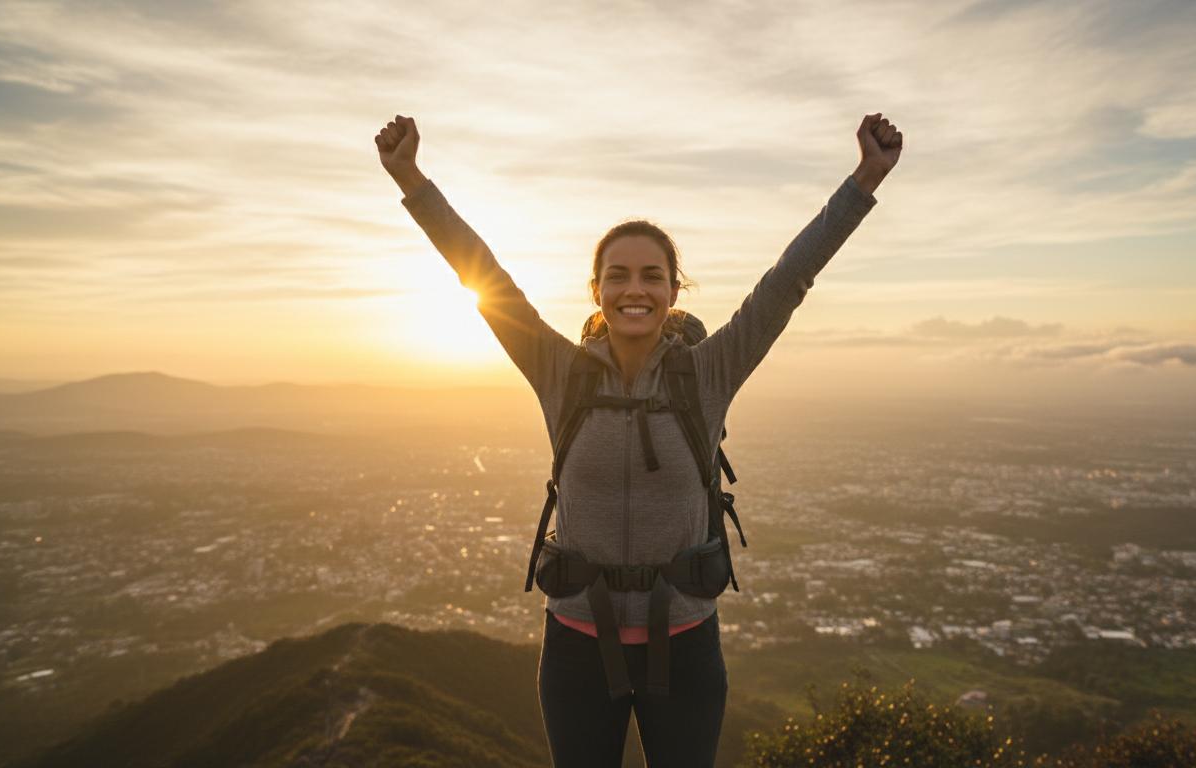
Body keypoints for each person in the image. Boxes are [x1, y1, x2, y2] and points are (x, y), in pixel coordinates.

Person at [375, 111, 902, 768]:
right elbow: (480, 273)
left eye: (652, 276)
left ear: (674, 291)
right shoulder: (560, 372)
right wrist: (411, 179)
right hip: (575, 644)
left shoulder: (707, 373)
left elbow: (788, 280)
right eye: (618, 275)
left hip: (685, 643)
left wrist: (864, 179)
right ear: (596, 290)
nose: (635, 290)